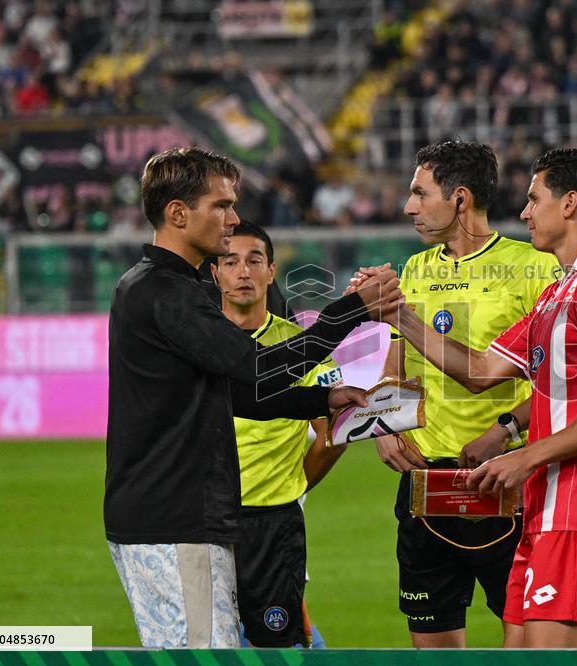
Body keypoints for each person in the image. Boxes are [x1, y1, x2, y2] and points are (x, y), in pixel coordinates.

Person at [104, 146, 402, 648]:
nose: (233, 218)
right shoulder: (164, 292)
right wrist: (353, 309)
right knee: (203, 658)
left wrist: (316, 403)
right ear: (178, 213)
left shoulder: (169, 286)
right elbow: (259, 365)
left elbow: (235, 391)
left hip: (182, 517)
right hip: (173, 519)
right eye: (220, 205)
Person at [376, 147, 577, 648]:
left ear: (568, 204)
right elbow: (480, 370)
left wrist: (520, 448)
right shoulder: (559, 293)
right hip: (541, 498)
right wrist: (399, 318)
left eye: (533, 199)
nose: (523, 212)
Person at [375, 140, 560, 648]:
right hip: (425, 481)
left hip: (505, 484)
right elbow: (398, 365)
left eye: (419, 193)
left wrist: (507, 431)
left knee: (524, 651)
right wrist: (383, 420)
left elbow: (562, 383)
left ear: (459, 198)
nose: (408, 206)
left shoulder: (534, 268)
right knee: (432, 652)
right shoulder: (415, 269)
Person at [210, 221, 345, 647]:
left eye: (254, 261)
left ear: (271, 271)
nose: (243, 272)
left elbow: (331, 436)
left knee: (276, 644)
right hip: (204, 521)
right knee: (206, 640)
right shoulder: (199, 343)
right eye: (230, 261)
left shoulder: (301, 347)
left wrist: (295, 484)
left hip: (274, 523)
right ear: (214, 273)